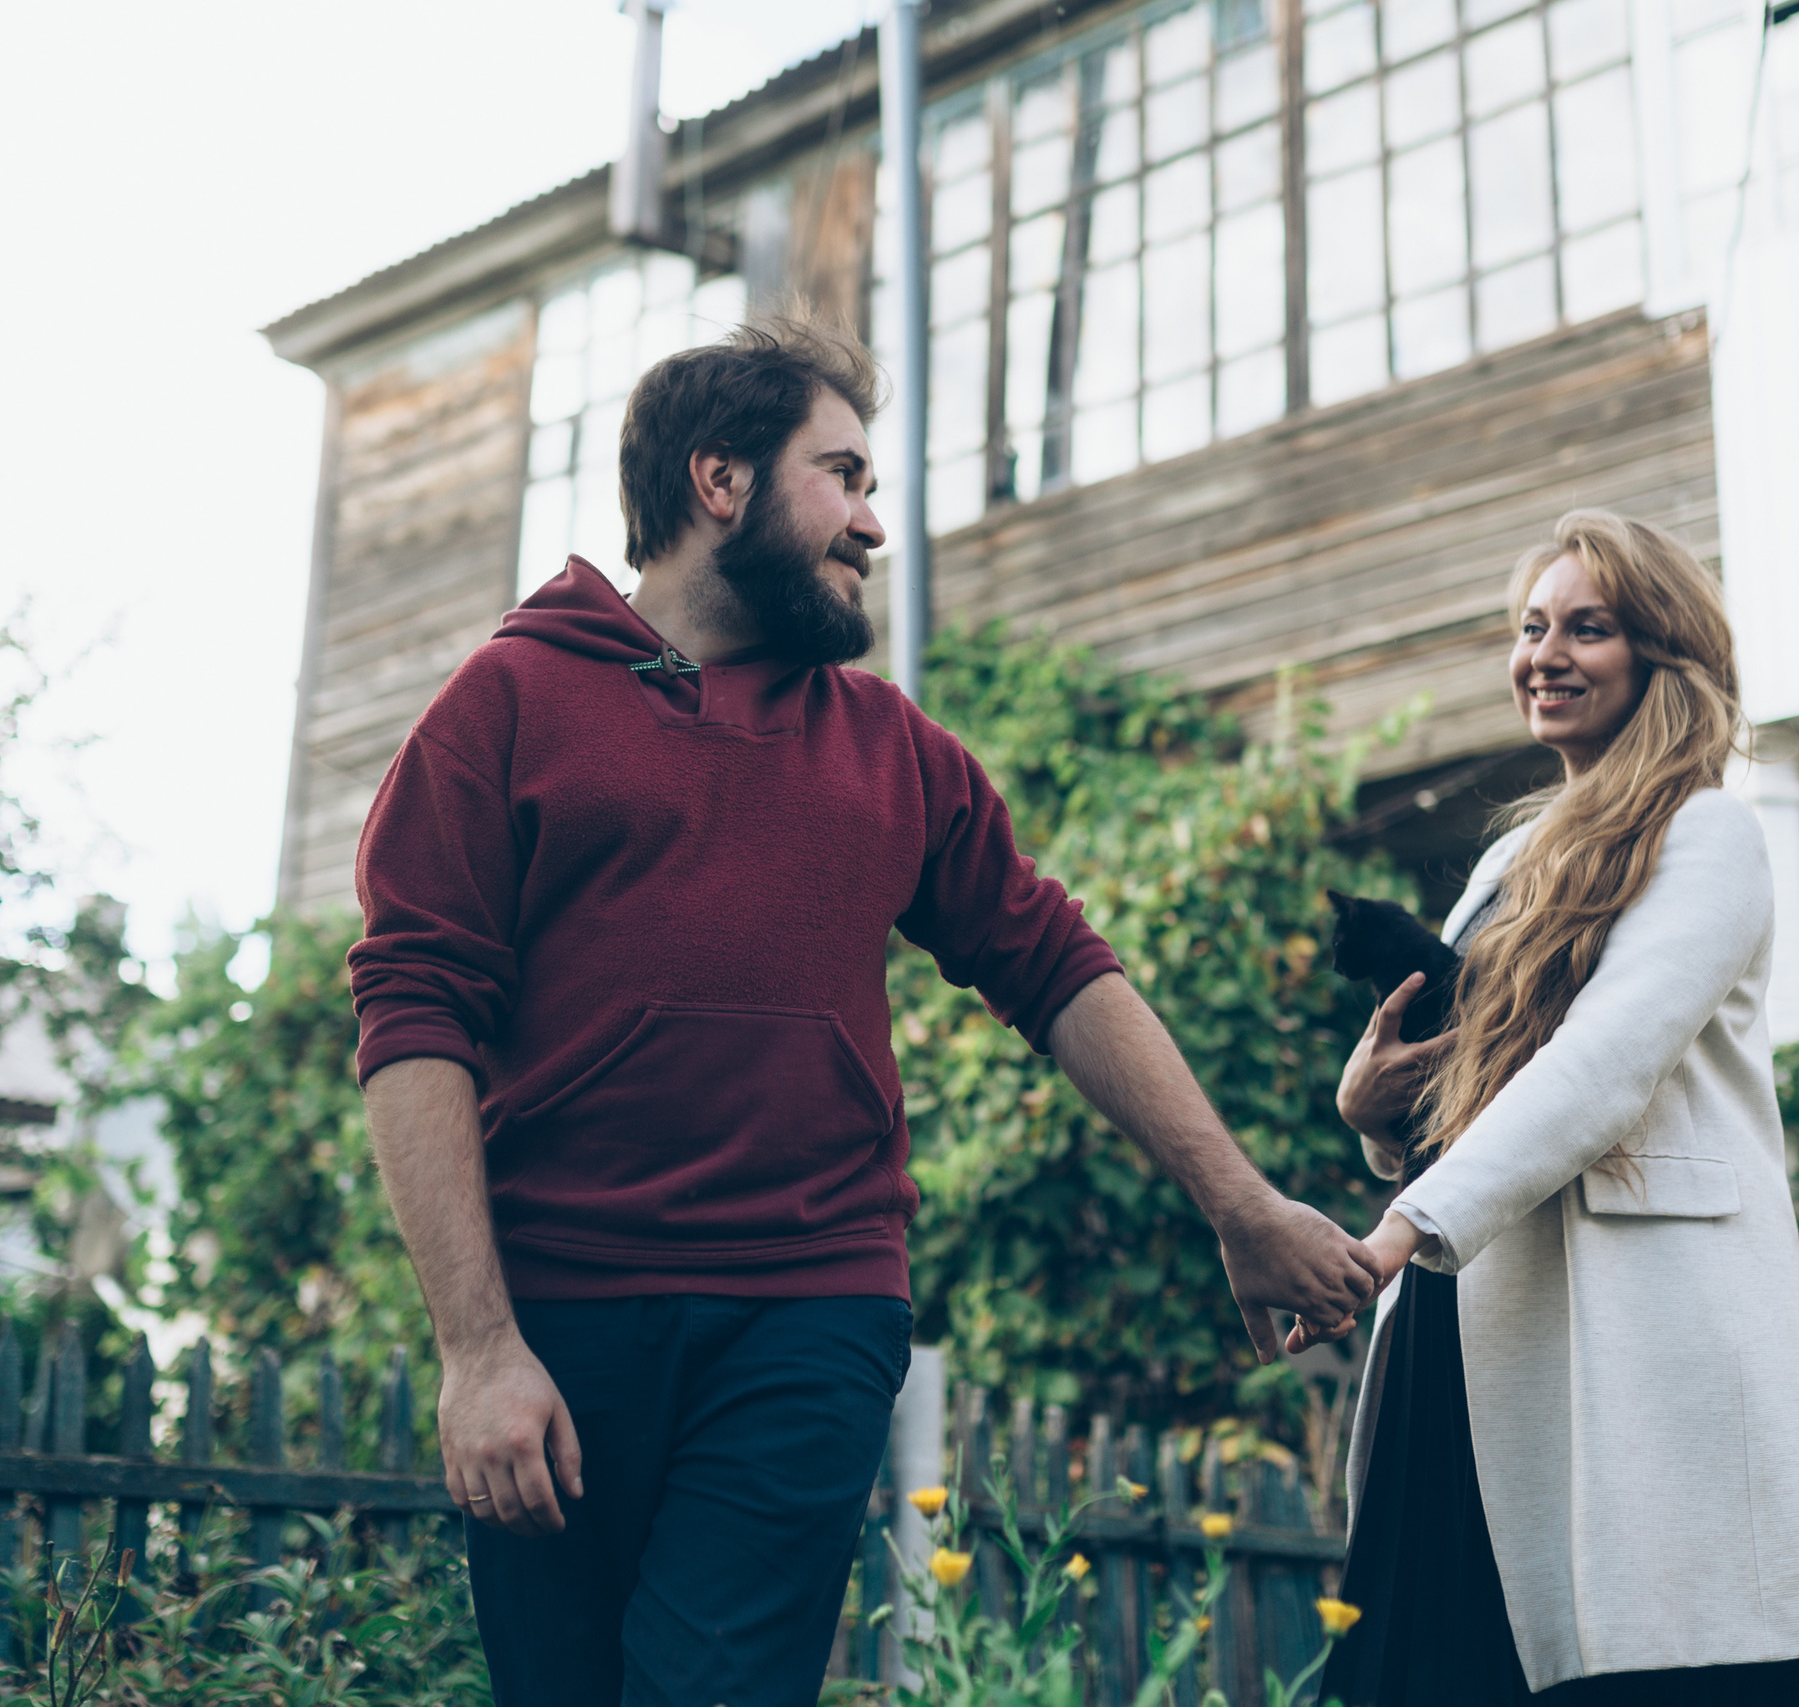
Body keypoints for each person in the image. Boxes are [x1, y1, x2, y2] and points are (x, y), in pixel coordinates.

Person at [347, 316, 1379, 1707]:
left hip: (811, 1303)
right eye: (842, 477)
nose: (873, 525)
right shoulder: (506, 707)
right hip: (560, 1314)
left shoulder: (891, 749)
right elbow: (415, 1015)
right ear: (721, 479)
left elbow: (1058, 968)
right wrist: (478, 1348)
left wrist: (1240, 1204)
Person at [1305, 511, 1799, 1703]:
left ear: (1662, 653)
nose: (1544, 655)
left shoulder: (1707, 836)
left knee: (1653, 1651)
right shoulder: (1504, 867)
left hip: (1635, 1324)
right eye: (1531, 627)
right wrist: (1371, 1113)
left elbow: (1599, 1070)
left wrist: (1396, 1232)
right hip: (1467, 1314)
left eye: (1587, 628)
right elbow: (1465, 1088)